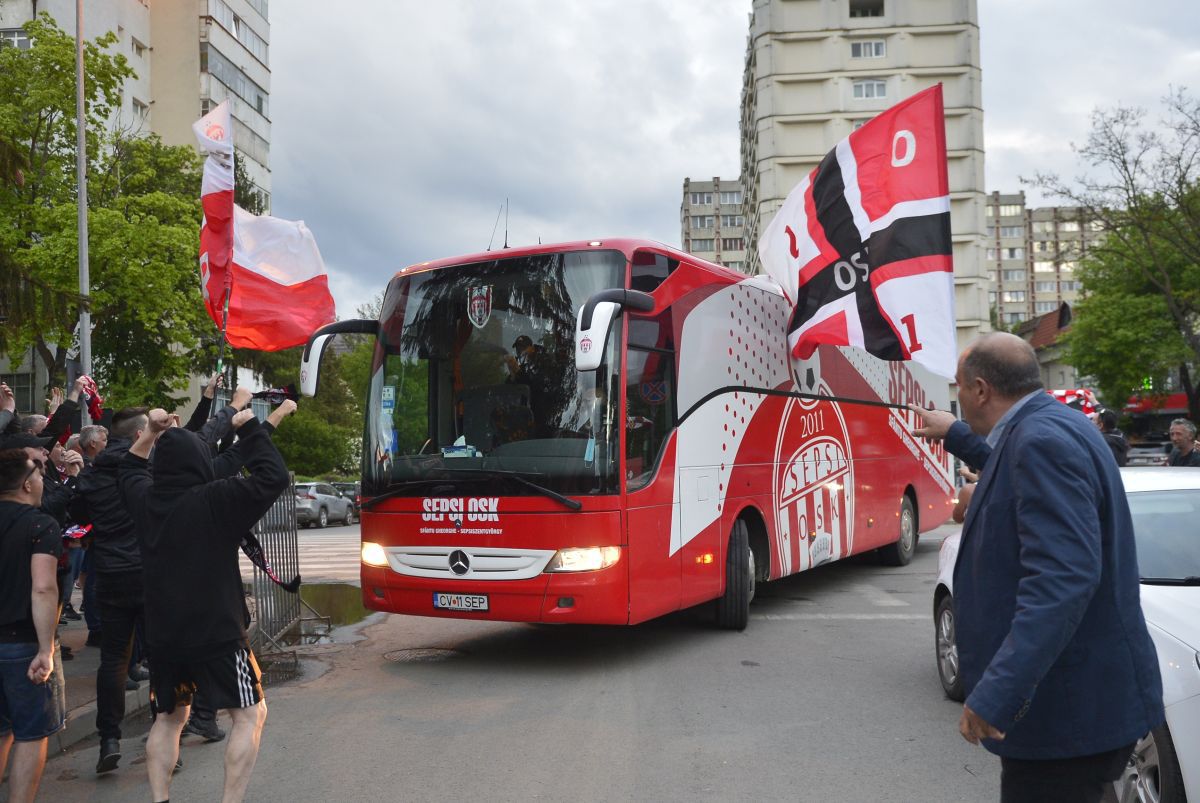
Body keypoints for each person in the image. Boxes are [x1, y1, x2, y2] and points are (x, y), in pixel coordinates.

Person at [909, 333, 1163, 803]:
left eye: (959, 386)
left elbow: (1062, 582)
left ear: (981, 390)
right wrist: (956, 434)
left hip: (1064, 713)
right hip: (1079, 707)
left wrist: (998, 692)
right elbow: (1011, 469)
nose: (958, 396)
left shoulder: (1040, 441)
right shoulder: (1050, 426)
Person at [119, 401, 289, 803]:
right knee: (249, 714)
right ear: (199, 461)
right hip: (217, 632)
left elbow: (129, 469)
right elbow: (274, 477)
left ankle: (160, 799)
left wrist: (150, 432)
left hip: (164, 634)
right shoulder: (217, 498)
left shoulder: (146, 500)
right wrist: (249, 428)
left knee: (169, 718)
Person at [0, 449, 66, 803]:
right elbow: (43, 587)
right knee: (29, 733)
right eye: (39, 476)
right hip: (22, 643)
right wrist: (45, 648)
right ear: (26, 485)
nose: (42, 481)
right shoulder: (40, 524)